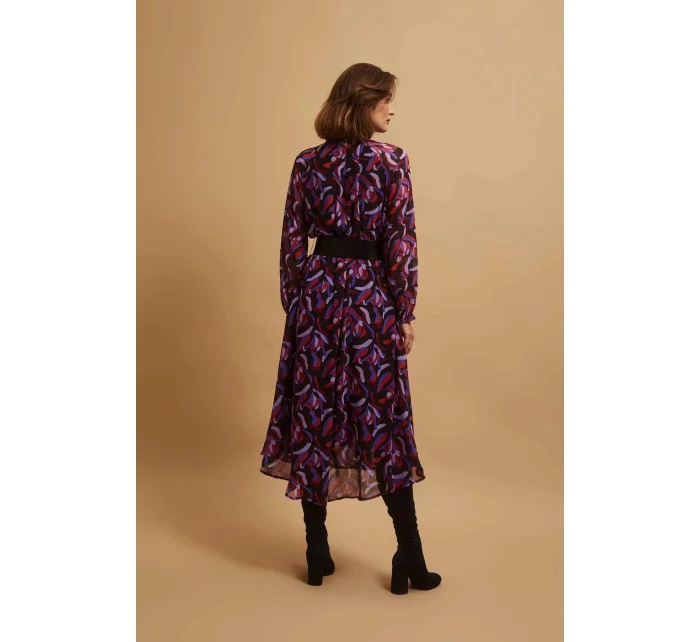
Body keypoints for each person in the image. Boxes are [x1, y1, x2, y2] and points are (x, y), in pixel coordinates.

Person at [259, 62, 441, 594]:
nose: (392, 109)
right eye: (386, 100)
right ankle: (410, 554)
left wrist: (297, 303)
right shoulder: (391, 161)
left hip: (316, 296)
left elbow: (292, 238)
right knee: (385, 419)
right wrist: (404, 311)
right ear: (364, 103)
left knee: (313, 414)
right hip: (370, 299)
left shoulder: (307, 163)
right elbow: (400, 241)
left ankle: (317, 551)